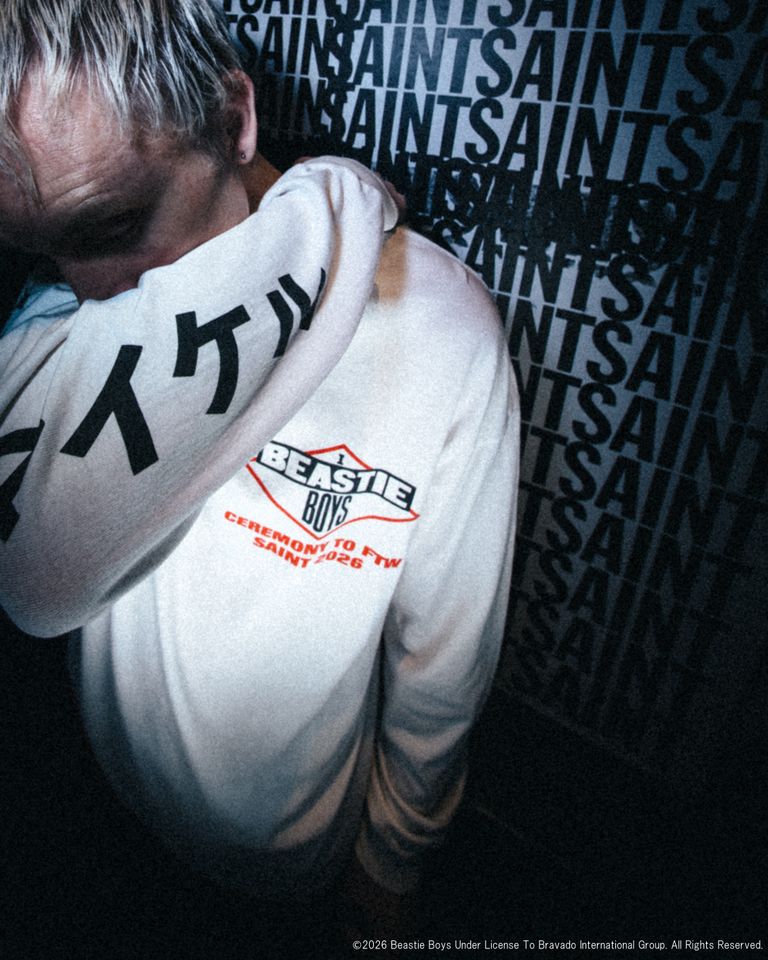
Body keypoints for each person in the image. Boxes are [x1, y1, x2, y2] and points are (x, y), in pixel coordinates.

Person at [0, 0, 519, 947]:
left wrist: (392, 863)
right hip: (98, 795)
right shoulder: (50, 319)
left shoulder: (439, 329)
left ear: (234, 119)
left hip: (288, 859)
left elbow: (442, 654)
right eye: (45, 251)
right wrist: (335, 201)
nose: (89, 294)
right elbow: (37, 580)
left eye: (117, 223)